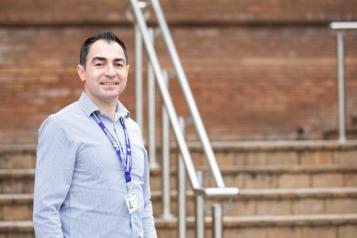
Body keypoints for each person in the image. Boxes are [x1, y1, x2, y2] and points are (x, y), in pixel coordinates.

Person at [33, 32, 157, 238]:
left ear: (127, 71)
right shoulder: (61, 126)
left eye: (118, 64)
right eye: (99, 64)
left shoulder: (132, 128)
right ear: (82, 72)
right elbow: (46, 211)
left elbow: (144, 202)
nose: (110, 72)